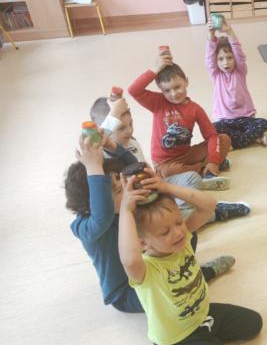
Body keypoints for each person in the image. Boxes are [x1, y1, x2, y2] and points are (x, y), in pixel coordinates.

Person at [118, 171, 262, 345]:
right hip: (176, 339)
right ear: (142, 243)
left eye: (179, 222)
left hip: (202, 315)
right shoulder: (146, 269)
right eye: (165, 232)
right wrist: (126, 210)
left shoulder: (182, 239)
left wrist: (166, 187)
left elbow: (209, 204)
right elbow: (129, 260)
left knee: (254, 323)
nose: (178, 232)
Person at [65, 134, 236, 314]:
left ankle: (186, 271)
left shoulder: (128, 207)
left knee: (183, 232)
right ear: (90, 205)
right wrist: (93, 168)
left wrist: (112, 146)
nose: (127, 190)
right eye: (117, 190)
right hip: (127, 292)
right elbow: (103, 215)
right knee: (174, 291)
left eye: (122, 184)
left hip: (152, 267)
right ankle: (204, 273)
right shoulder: (85, 227)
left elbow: (134, 169)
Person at [89, 94, 250, 222]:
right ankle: (213, 213)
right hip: (136, 208)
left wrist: (161, 188)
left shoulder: (132, 142)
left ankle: (190, 198)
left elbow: (145, 169)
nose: (129, 131)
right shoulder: (99, 155)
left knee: (192, 178)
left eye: (131, 124)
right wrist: (114, 114)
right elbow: (95, 141)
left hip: (152, 190)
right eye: (121, 128)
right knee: (165, 220)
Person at [128, 48, 232, 180]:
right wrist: (155, 69)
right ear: (161, 90)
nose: (173, 94)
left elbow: (212, 136)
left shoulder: (195, 109)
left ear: (186, 81)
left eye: (177, 87)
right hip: (165, 163)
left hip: (187, 155)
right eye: (167, 90)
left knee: (224, 139)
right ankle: (204, 170)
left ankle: (206, 167)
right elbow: (134, 90)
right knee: (168, 172)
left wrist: (213, 161)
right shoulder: (158, 103)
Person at [206, 16, 267, 148]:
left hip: (245, 117)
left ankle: (235, 142)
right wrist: (211, 34)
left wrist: (229, 31)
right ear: (216, 61)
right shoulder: (216, 74)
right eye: (221, 59)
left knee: (263, 123)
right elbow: (209, 57)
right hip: (225, 120)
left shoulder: (240, 71)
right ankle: (251, 138)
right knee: (213, 127)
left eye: (229, 58)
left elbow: (239, 53)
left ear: (235, 58)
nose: (226, 62)